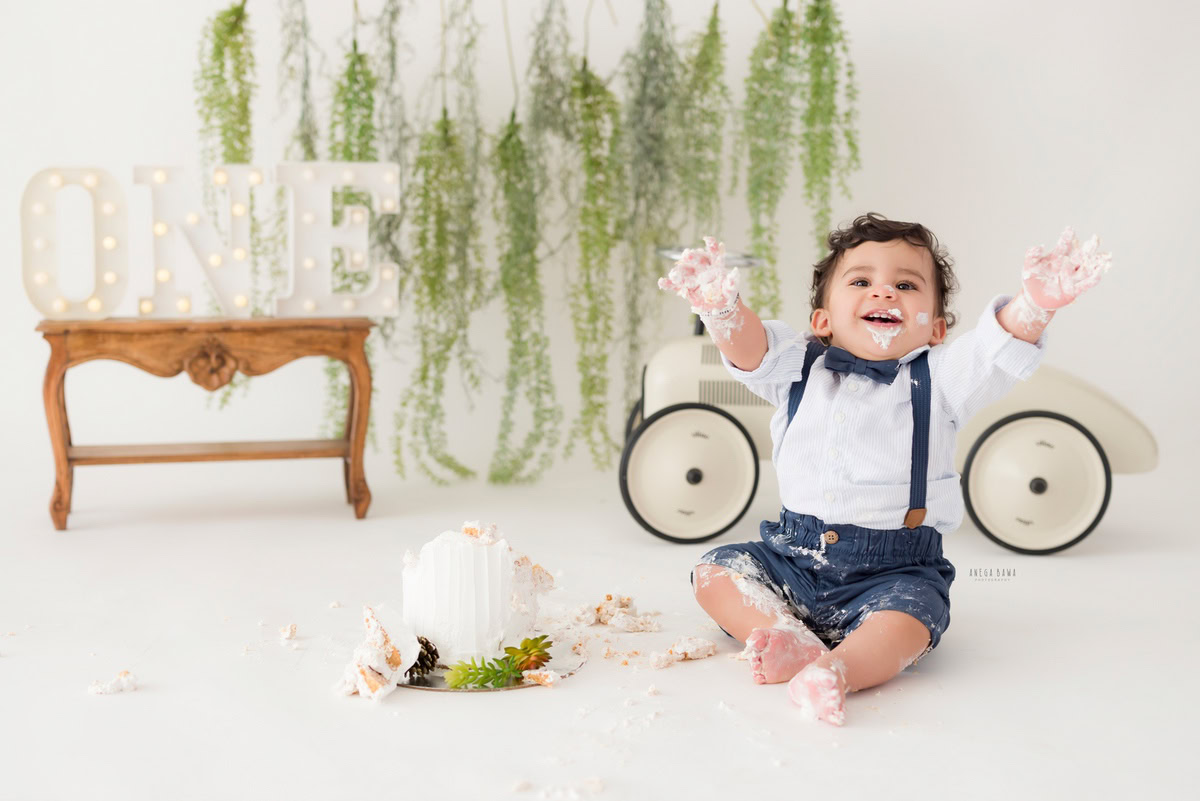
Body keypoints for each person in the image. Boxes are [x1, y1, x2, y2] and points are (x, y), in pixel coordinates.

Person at [657, 212, 1110, 725]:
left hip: (894, 572)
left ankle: (839, 669)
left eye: (905, 284)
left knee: (912, 617)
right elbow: (749, 350)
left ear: (937, 329)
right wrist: (721, 308)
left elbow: (992, 353)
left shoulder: (940, 381)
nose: (884, 293)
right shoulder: (796, 368)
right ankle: (784, 633)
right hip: (793, 556)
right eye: (861, 281)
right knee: (716, 571)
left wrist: (1036, 305)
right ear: (824, 320)